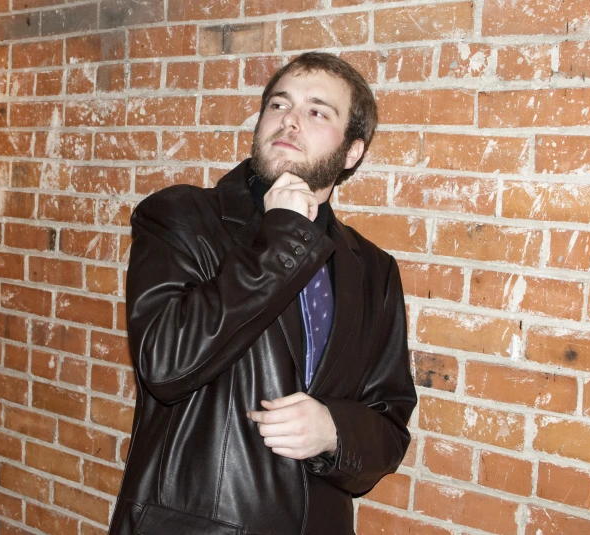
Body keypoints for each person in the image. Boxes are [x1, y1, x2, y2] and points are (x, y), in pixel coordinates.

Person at [108, 52, 417, 535]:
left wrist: (333, 430)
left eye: (317, 111)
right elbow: (165, 364)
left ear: (352, 152)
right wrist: (281, 238)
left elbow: (390, 425)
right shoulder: (183, 218)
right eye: (279, 104)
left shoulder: (374, 270)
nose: (289, 120)